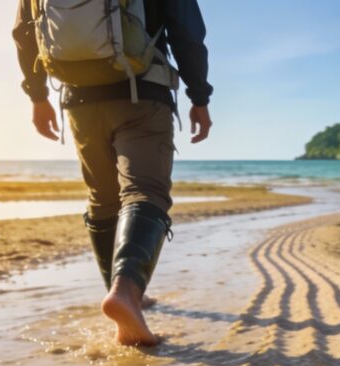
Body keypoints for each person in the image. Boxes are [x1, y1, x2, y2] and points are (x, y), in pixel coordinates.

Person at [12, 0, 213, 346]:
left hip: (79, 100)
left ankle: (121, 292)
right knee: (145, 193)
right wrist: (200, 97)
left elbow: (24, 29)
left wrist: (37, 95)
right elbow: (187, 31)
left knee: (103, 199)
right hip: (143, 92)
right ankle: (126, 293)